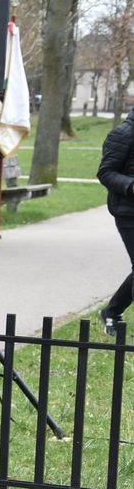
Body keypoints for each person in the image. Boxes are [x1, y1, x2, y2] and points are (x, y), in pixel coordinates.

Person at [98, 105, 134, 335]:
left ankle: (111, 311)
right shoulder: (123, 133)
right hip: (128, 212)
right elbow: (105, 172)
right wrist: (130, 185)